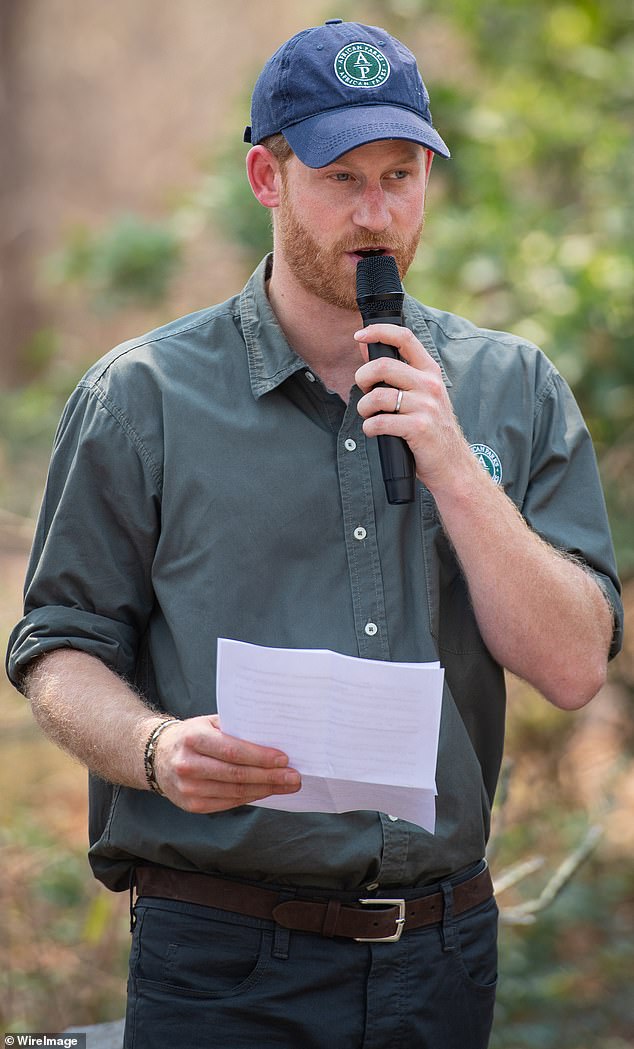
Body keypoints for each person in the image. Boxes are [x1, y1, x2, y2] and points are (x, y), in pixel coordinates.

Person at [6, 18, 623, 1049]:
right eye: (341, 177)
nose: (376, 213)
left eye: (401, 175)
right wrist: (156, 750)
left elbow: (570, 667)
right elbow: (58, 650)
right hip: (220, 955)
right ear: (266, 176)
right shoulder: (142, 397)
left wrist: (454, 466)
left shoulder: (510, 388)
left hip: (442, 951)